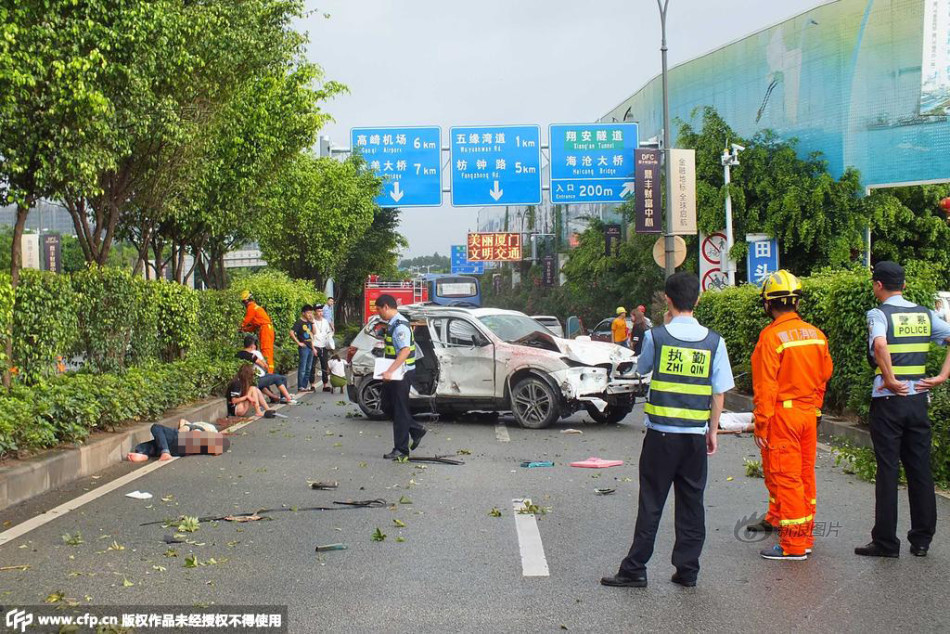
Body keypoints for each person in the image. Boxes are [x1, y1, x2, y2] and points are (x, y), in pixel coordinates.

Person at [602, 273, 733, 589]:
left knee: (651, 502)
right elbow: (719, 393)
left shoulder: (656, 337)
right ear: (697, 300)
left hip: (661, 437)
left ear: (668, 301)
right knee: (692, 504)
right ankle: (687, 570)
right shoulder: (715, 342)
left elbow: (641, 368)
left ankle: (635, 569)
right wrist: (712, 431)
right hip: (694, 438)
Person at [855, 261, 950, 558]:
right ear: (905, 285)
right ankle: (921, 540)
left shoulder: (878, 314)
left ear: (878, 285)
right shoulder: (924, 314)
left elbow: (880, 346)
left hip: (888, 401)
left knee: (888, 469)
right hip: (918, 400)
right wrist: (942, 376)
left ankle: (885, 543)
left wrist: (890, 378)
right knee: (920, 468)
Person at [749, 270, 833, 561]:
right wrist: (816, 407)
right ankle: (802, 535)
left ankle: (794, 546)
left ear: (768, 304)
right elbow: (824, 377)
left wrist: (761, 424)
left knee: (785, 477)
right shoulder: (816, 335)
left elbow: (765, 386)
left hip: (783, 416)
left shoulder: (771, 338)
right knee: (804, 476)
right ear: (796, 303)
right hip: (808, 414)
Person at [375, 294, 426, 460]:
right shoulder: (391, 324)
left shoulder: (399, 326)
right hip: (394, 372)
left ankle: (401, 449)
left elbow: (404, 351)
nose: (378, 313)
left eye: (378, 309)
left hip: (401, 373)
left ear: (386, 307)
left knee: (399, 409)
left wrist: (390, 371)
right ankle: (415, 429)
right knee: (387, 406)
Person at [127, 420, 230, 462]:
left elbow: (184, 424)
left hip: (183, 438)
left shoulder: (204, 429)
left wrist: (187, 428)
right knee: (154, 444)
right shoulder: (210, 439)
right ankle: (144, 453)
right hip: (181, 451)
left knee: (156, 427)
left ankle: (164, 452)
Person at [236, 335, 297, 404]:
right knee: (278, 378)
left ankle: (275, 398)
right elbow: (264, 365)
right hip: (254, 380)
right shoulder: (251, 355)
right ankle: (287, 398)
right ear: (252, 345)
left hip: (245, 380)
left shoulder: (238, 354)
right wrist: (264, 362)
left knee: (271, 379)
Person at [240, 291, 276, 373]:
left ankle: (269, 374)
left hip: (265, 330)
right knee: (267, 351)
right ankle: (269, 372)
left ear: (246, 301)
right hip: (266, 329)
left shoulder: (251, 308)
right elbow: (253, 326)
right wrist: (244, 329)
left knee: (266, 351)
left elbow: (246, 321)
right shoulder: (256, 307)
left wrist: (239, 327)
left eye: (244, 302)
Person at [310, 304, 334, 392]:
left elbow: (329, 332)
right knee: (312, 366)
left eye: (321, 311)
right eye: (318, 311)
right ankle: (312, 384)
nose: (320, 313)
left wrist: (329, 339)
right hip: (315, 345)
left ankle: (325, 385)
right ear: (315, 312)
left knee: (324, 365)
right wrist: (313, 347)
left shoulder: (325, 321)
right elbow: (311, 334)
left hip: (324, 346)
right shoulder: (312, 322)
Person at [290, 305, 315, 392]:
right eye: (308, 313)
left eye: (311, 313)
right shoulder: (299, 322)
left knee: (309, 368)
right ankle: (300, 386)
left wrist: (312, 322)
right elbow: (291, 332)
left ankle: (304, 386)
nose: (310, 314)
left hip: (310, 347)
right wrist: (298, 343)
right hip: (304, 348)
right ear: (303, 313)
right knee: (303, 368)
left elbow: (313, 333)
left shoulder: (309, 322)